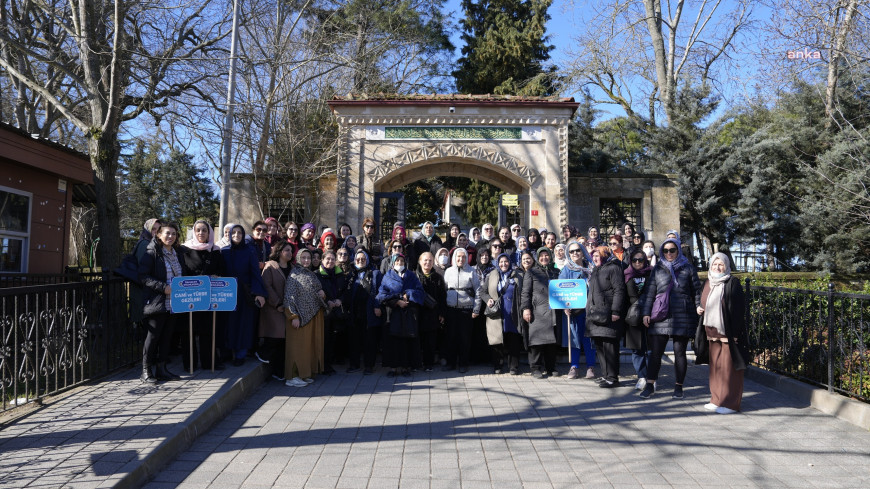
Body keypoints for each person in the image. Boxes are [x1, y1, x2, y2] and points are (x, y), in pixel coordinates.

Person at [639, 238, 703, 399]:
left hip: (683, 314)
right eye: (666, 250)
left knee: (679, 352)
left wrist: (697, 307)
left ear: (678, 251)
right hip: (661, 314)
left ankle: (679, 386)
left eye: (672, 250)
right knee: (655, 353)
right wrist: (646, 313)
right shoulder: (658, 269)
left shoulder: (688, 268)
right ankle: (650, 385)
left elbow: (696, 291)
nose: (669, 253)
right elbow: (650, 292)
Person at [137, 222, 189, 383]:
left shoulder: (177, 253)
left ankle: (162, 369)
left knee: (167, 337)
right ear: (158, 234)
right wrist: (163, 287)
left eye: (174, 234)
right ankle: (146, 370)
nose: (171, 236)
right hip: (157, 302)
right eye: (167, 233)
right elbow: (143, 276)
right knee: (153, 337)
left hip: (174, 303)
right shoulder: (152, 252)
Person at [699, 253, 749, 414]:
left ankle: (730, 403)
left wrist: (734, 333)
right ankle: (716, 399)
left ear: (726, 266)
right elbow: (702, 302)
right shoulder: (708, 282)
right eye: (714, 264)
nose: (717, 267)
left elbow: (739, 310)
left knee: (730, 369)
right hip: (711, 332)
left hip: (728, 333)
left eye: (721, 264)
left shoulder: (732, 283)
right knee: (716, 368)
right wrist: (699, 308)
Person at [180, 220, 225, 372]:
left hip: (209, 296)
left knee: (208, 330)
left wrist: (216, 276)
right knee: (189, 331)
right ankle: (190, 363)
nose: (201, 233)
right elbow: (181, 270)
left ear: (209, 233)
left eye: (204, 230)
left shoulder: (215, 250)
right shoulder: (184, 249)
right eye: (198, 230)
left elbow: (222, 270)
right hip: (190, 296)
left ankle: (209, 362)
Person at [221, 225, 267, 365]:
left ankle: (240, 354)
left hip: (244, 293)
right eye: (233, 232)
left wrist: (259, 292)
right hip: (227, 293)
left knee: (243, 324)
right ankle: (228, 351)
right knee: (228, 324)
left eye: (239, 232)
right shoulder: (224, 252)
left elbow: (255, 273)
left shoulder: (250, 251)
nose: (236, 235)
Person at [377, 253, 425, 377]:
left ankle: (405, 367)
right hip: (392, 313)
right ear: (393, 263)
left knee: (406, 340)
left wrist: (408, 294)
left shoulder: (411, 276)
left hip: (408, 313)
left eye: (402, 261)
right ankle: (393, 367)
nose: (399, 263)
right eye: (397, 261)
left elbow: (420, 292)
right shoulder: (387, 276)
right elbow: (381, 295)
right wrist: (397, 301)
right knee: (392, 340)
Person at [585, 245, 627, 388]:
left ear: (604, 255)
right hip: (596, 315)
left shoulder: (614, 268)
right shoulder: (596, 269)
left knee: (610, 348)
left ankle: (613, 377)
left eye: (598, 255)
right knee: (600, 347)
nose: (595, 258)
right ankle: (605, 375)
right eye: (594, 256)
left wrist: (615, 311)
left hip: (609, 315)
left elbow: (619, 290)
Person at [283, 248, 326, 387]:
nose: (306, 260)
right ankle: (292, 376)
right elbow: (289, 298)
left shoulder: (311, 274)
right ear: (298, 259)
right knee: (297, 347)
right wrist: (293, 316)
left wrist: (322, 293)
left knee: (308, 348)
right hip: (299, 318)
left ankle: (304, 373)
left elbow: (315, 290)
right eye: (304, 258)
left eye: (309, 257)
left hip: (313, 316)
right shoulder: (294, 275)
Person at [479, 253, 523, 375]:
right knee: (496, 339)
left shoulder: (517, 274)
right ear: (497, 263)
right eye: (501, 262)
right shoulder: (492, 275)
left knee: (513, 339)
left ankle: (513, 367)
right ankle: (497, 365)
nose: (503, 264)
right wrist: (488, 299)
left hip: (512, 311)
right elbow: (482, 291)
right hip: (496, 312)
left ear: (510, 262)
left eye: (506, 261)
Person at [521, 247, 561, 379]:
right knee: (536, 340)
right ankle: (535, 368)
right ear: (538, 258)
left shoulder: (556, 272)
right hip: (537, 311)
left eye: (546, 255)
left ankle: (551, 367)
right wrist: (526, 309)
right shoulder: (531, 272)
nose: (544, 258)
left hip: (553, 311)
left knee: (551, 342)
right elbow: (525, 292)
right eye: (541, 256)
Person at [560, 242, 597, 380]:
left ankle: (590, 367)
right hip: (574, 311)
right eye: (571, 252)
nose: (575, 253)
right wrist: (565, 306)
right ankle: (574, 366)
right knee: (574, 338)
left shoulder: (591, 268)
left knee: (589, 339)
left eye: (577, 250)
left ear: (582, 251)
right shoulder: (566, 270)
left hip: (589, 310)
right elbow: (560, 289)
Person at [258, 241, 294, 379]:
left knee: (283, 342)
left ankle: (279, 372)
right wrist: (277, 303)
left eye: (291, 250)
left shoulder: (292, 267)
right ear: (279, 251)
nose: (290, 253)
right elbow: (267, 286)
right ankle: (262, 353)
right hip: (273, 308)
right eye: (287, 250)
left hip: (286, 308)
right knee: (276, 336)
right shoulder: (270, 266)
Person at [346, 249, 383, 374]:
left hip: (370, 312)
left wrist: (377, 305)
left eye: (363, 259)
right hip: (355, 312)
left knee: (370, 340)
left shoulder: (375, 273)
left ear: (367, 260)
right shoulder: (352, 274)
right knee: (354, 340)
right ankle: (354, 364)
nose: (360, 261)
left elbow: (380, 291)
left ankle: (369, 366)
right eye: (358, 259)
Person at [443, 247, 478, 373]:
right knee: (451, 337)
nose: (461, 259)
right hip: (451, 309)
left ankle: (463, 363)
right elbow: (445, 289)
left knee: (465, 338)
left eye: (463, 257)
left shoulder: (472, 272)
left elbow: (478, 291)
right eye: (458, 256)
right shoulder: (448, 271)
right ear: (454, 258)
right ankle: (450, 363)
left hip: (466, 309)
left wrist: (476, 309)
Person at [624, 249, 652, 390]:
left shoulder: (651, 273)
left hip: (650, 315)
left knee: (651, 349)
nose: (637, 262)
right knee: (636, 349)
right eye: (634, 260)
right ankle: (642, 376)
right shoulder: (627, 274)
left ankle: (652, 377)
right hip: (633, 316)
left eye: (640, 260)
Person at [317, 250, 347, 375]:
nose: (330, 261)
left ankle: (330, 363)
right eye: (327, 259)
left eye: (332, 259)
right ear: (322, 260)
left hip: (337, 310)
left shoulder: (340, 275)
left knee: (333, 339)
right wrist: (328, 301)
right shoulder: (317, 275)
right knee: (324, 339)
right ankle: (323, 366)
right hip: (324, 312)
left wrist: (340, 300)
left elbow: (346, 291)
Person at [415, 252, 446, 372]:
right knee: (418, 339)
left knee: (431, 340)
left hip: (433, 313)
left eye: (430, 261)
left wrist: (442, 313)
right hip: (418, 313)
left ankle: (429, 363)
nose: (428, 263)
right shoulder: (414, 276)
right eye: (425, 260)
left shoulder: (437, 277)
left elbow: (442, 297)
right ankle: (418, 363)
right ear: (419, 261)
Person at [130, 218, 161, 328]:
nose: (156, 232)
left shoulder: (153, 244)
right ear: (147, 229)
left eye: (159, 229)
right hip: (141, 287)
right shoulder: (145, 244)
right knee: (142, 317)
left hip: (147, 287)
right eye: (153, 229)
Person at [471, 248, 495, 364]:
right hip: (476, 304)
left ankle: (488, 358)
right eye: (482, 255)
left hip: (490, 303)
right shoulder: (473, 269)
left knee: (488, 331)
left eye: (486, 255)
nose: (484, 257)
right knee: (477, 331)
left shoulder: (494, 270)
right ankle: (476, 358)